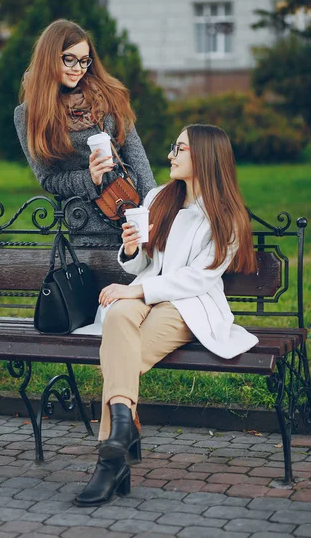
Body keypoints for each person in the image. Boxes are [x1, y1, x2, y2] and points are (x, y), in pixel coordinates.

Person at [74, 123, 259, 507]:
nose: (171, 155)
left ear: (205, 157)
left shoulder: (226, 215)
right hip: (145, 295)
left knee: (119, 352)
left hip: (188, 306)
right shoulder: (159, 196)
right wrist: (130, 249)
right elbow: (142, 262)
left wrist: (136, 289)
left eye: (180, 149)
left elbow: (199, 277)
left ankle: (110, 460)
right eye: (174, 148)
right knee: (120, 316)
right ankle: (122, 429)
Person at [14, 19, 156, 246]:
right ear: (49, 57)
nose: (78, 68)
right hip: (87, 225)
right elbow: (48, 179)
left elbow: (137, 156)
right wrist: (90, 177)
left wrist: (153, 210)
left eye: (84, 61)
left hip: (132, 213)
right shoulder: (29, 114)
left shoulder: (109, 95)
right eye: (69, 59)